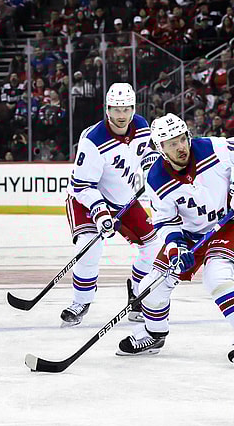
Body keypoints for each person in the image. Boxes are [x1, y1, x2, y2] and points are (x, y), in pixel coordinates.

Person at [116, 113, 234, 369]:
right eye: (171, 143)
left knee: (216, 275)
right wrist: (177, 247)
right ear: (161, 148)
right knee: (152, 286)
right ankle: (155, 334)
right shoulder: (156, 180)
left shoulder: (214, 149)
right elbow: (166, 222)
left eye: (182, 139)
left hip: (231, 226)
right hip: (191, 235)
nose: (180, 146)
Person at [61, 83, 161, 326]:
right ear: (107, 109)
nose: (120, 115)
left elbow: (148, 153)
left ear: (133, 108)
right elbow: (82, 186)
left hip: (122, 199)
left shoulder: (142, 126)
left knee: (154, 246)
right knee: (88, 246)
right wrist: (100, 214)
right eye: (115, 109)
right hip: (86, 200)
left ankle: (137, 296)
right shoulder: (93, 140)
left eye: (125, 109)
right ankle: (81, 301)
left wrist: (151, 170)